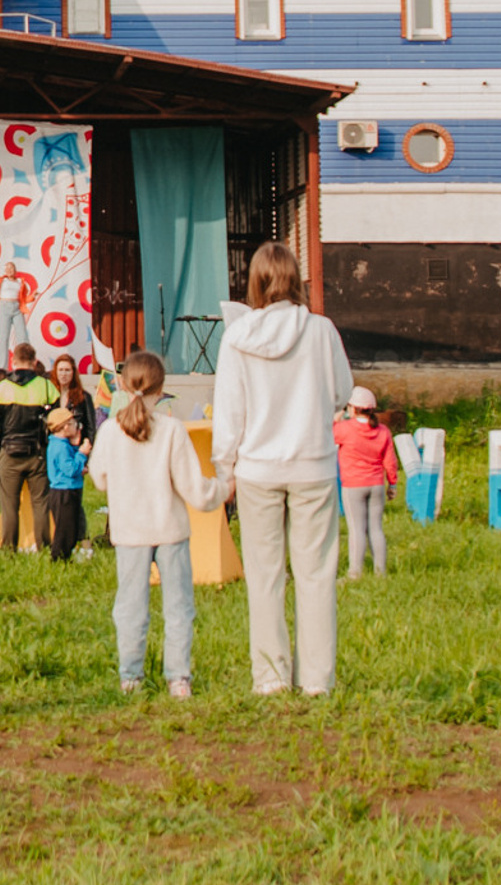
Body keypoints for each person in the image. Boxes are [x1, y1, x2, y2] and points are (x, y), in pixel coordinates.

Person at [210, 243, 353, 697]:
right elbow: (342, 393)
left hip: (256, 469)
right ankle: (317, 681)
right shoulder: (322, 330)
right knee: (316, 576)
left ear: (254, 282)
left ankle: (270, 677)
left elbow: (229, 413)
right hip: (312, 464)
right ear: (296, 279)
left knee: (265, 576)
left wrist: (224, 468)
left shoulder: (237, 337)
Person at [89, 350, 218, 697]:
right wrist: (224, 488)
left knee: (130, 607)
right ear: (161, 389)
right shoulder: (173, 430)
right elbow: (195, 489)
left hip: (130, 531)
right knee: (179, 607)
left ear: (121, 384)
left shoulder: (111, 433)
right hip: (170, 529)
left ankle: (130, 675)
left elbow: (99, 479)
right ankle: (178, 678)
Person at [0, 348, 56, 552]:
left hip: (9, 453)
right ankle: (44, 548)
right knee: (41, 504)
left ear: (13, 361)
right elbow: (56, 423)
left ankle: (9, 550)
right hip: (37, 454)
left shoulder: (1, 388)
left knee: (9, 506)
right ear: (35, 362)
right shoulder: (46, 387)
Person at [334, 386, 402, 580]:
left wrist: (338, 415)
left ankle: (355, 572)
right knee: (376, 529)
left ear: (353, 409)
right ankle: (381, 572)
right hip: (376, 485)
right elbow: (390, 460)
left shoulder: (345, 429)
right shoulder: (383, 431)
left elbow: (327, 432)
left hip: (353, 485)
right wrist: (393, 484)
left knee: (356, 529)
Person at [44, 403, 91, 560]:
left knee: (71, 526)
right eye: (72, 424)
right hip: (64, 492)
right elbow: (69, 469)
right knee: (65, 528)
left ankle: (66, 554)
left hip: (69, 489)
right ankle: (58, 557)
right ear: (64, 427)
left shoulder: (62, 444)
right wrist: (82, 454)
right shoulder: (60, 447)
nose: (76, 427)